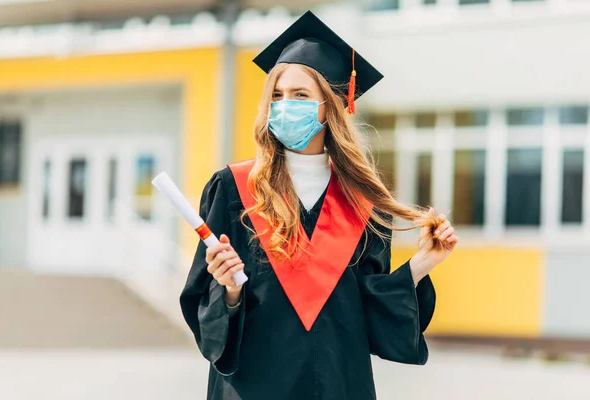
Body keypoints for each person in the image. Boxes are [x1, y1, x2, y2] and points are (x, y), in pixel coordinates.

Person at [180, 10, 458, 400]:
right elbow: (202, 305)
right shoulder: (234, 188)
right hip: (252, 387)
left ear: (329, 106)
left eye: (300, 95)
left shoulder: (363, 202)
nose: (284, 105)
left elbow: (369, 313)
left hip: (337, 383)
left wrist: (422, 264)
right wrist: (228, 291)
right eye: (277, 95)